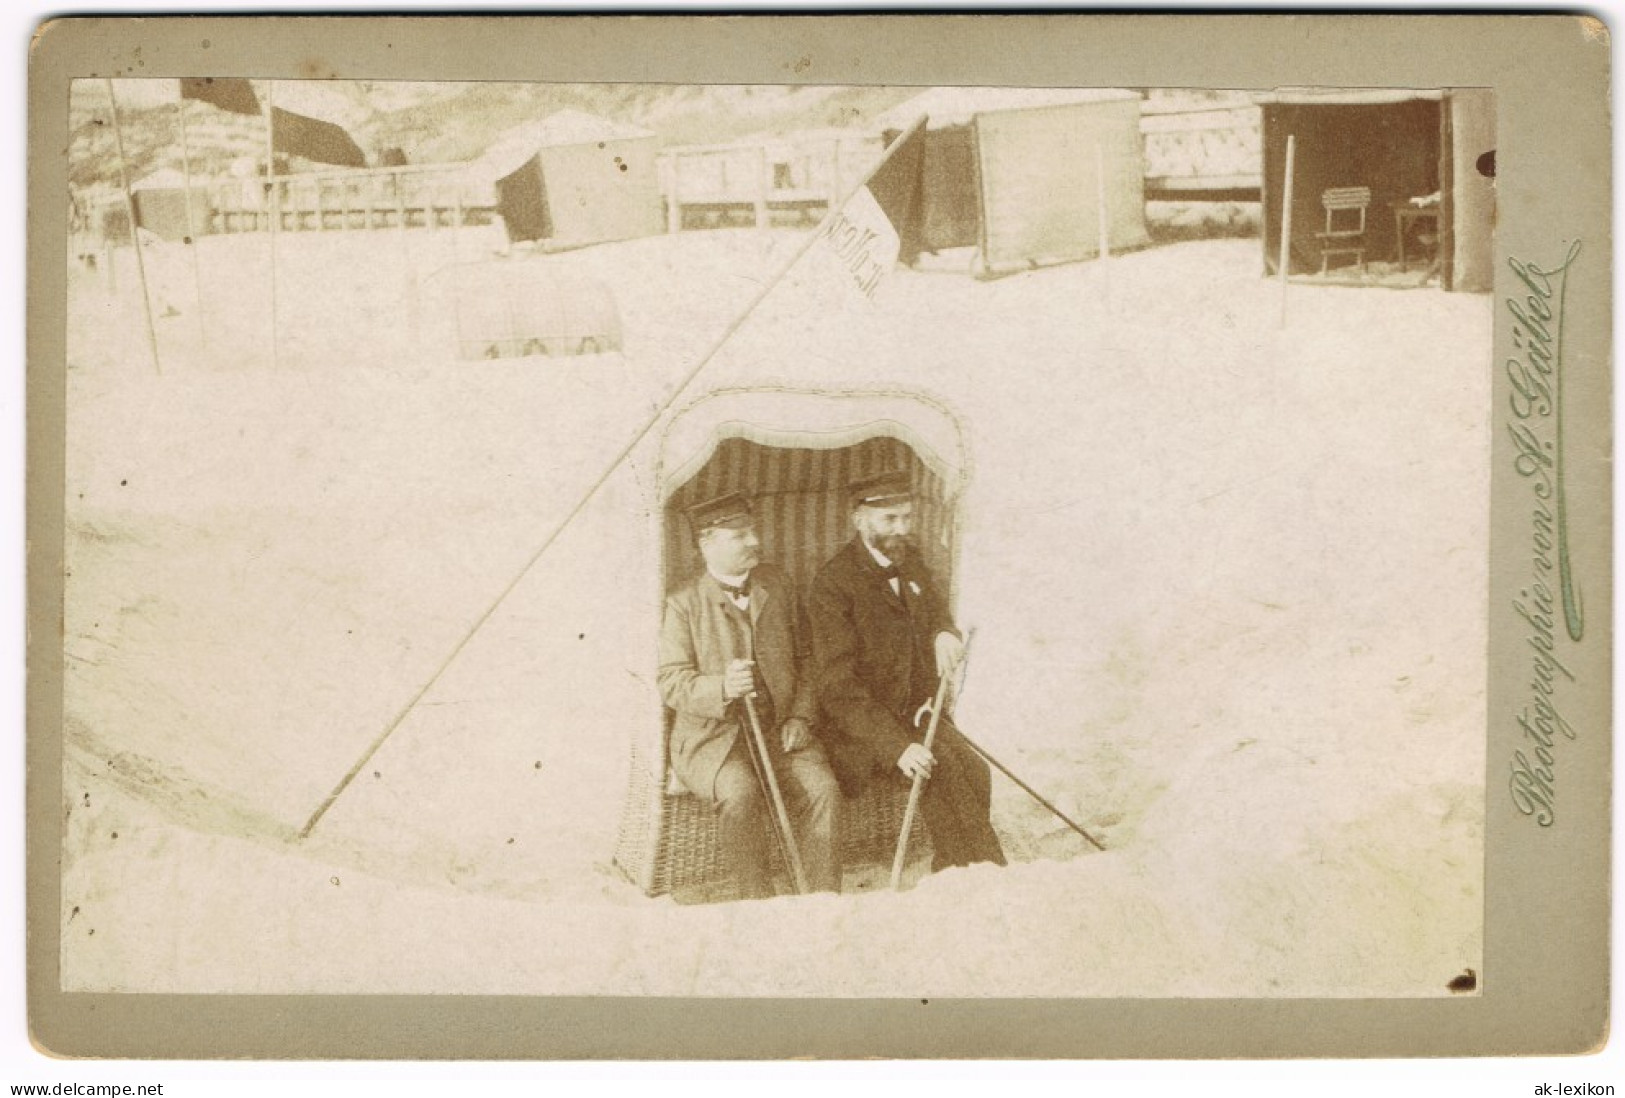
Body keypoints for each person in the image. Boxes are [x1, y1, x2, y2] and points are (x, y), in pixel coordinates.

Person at [807, 469, 1006, 872]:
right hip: (859, 733)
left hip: (915, 715)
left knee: (976, 770)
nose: (901, 529)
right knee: (941, 769)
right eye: (889, 519)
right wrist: (896, 746)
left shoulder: (909, 560)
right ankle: (983, 874)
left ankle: (957, 871)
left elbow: (934, 612)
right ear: (859, 519)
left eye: (907, 517)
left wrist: (943, 634)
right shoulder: (833, 584)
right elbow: (838, 689)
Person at [657, 490, 842, 898]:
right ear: (708, 543)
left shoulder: (776, 584)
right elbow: (671, 681)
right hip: (715, 740)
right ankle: (756, 905)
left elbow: (808, 659)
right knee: (739, 795)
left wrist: (800, 717)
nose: (754, 541)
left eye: (752, 531)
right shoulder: (683, 603)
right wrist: (721, 687)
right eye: (739, 536)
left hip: (781, 730)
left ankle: (825, 903)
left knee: (823, 789)